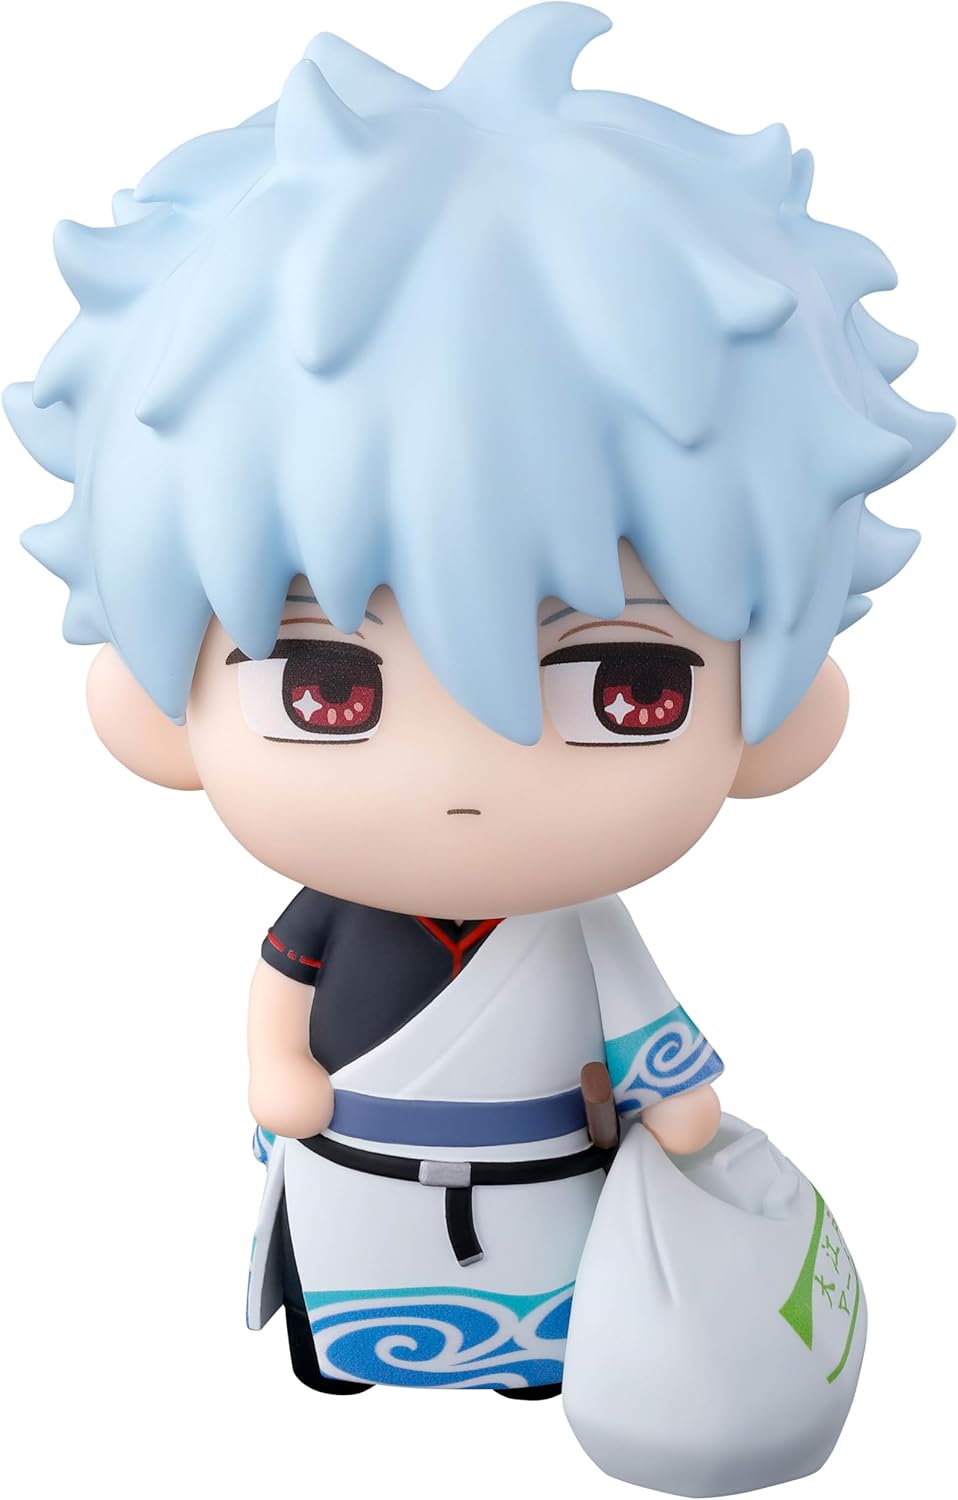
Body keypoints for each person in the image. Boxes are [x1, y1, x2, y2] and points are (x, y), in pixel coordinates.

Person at [5, 3, 950, 1405]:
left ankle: (524, 1361)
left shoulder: (582, 929)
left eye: (626, 685)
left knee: (531, 1301)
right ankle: (347, 1353)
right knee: (351, 1293)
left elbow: (651, 1051)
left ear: (781, 719)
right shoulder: (334, 918)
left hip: (536, 1185)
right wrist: (276, 1068)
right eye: (328, 685)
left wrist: (676, 1108)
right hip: (357, 1171)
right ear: (154, 711)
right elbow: (281, 1000)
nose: (470, 770)